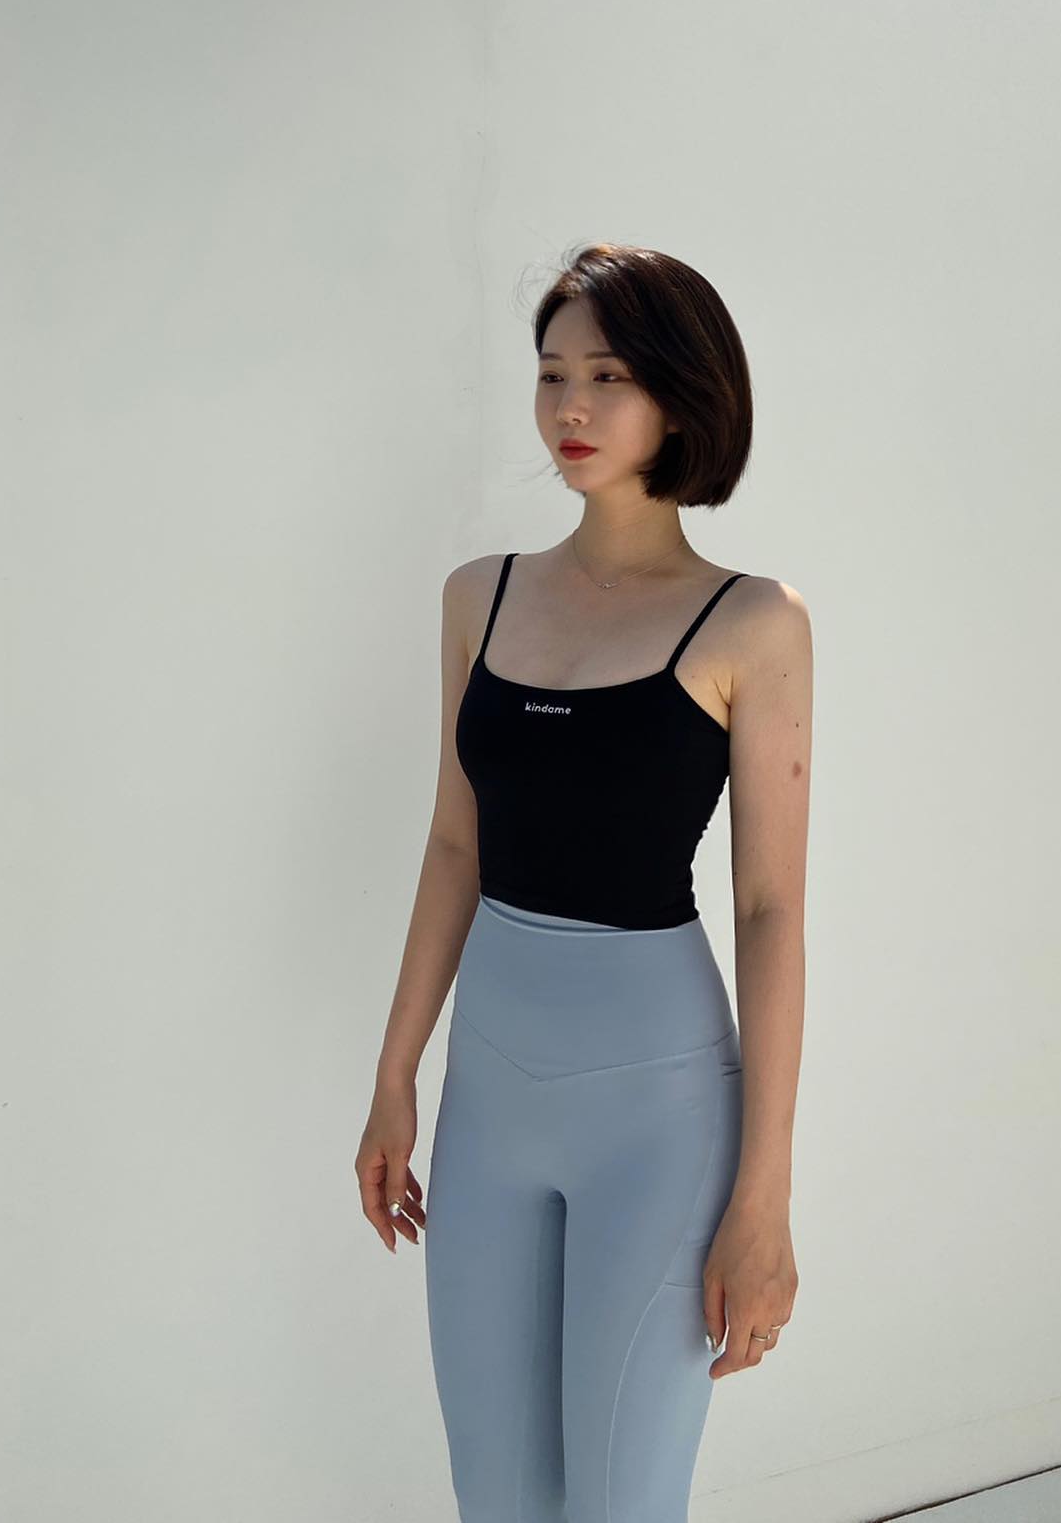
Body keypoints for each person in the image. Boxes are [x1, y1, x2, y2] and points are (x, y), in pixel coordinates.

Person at [355, 241, 811, 1520]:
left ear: (681, 390)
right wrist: (394, 1074)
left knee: (623, 1499)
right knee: (498, 1496)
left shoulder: (753, 622)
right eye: (553, 372)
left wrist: (765, 1194)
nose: (572, 405)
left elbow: (772, 909)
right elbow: (457, 844)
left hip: (659, 1119)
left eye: (609, 375)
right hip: (490, 1101)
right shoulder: (480, 597)